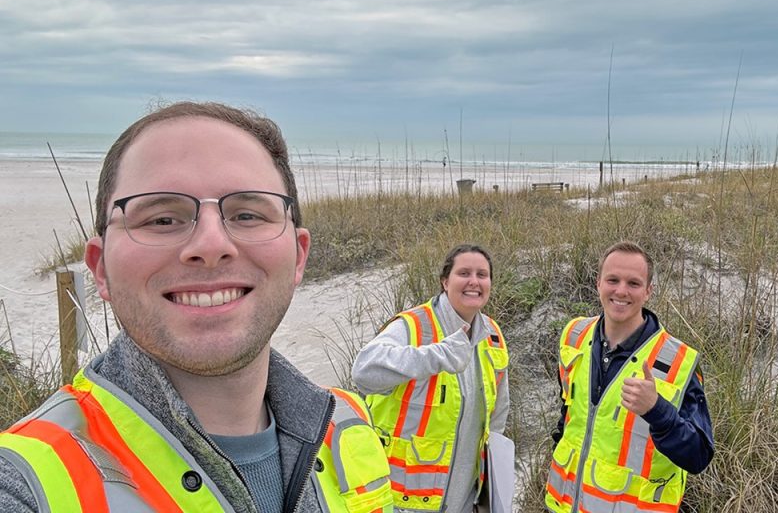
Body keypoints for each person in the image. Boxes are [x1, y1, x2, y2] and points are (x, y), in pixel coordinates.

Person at [0, 102, 393, 512]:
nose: (210, 246)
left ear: (298, 255)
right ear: (101, 269)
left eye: (247, 214)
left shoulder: (347, 425)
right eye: (162, 219)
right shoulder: (26, 482)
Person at [546, 241, 713, 513]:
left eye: (633, 283)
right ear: (598, 283)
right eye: (613, 280)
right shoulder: (574, 336)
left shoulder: (677, 362)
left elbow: (698, 456)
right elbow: (568, 416)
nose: (621, 291)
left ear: (649, 291)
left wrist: (657, 411)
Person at [351, 244, 510, 513]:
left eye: (482, 274)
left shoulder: (492, 335)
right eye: (464, 273)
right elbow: (364, 372)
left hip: (464, 500)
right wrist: (438, 355)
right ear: (445, 281)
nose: (474, 281)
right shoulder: (414, 326)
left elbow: (497, 416)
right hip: (401, 502)